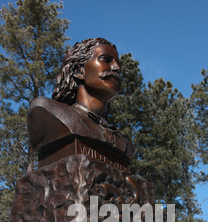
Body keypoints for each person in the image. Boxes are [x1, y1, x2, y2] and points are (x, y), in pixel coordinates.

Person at [27, 38, 134, 167]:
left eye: (118, 66)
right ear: (79, 71)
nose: (116, 68)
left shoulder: (125, 144)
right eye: (105, 59)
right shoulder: (47, 111)